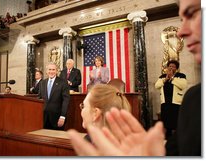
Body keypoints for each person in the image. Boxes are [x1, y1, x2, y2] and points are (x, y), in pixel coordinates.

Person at [68, 0, 201, 156]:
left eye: (192, 13)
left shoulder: (188, 91)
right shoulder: (194, 100)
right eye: (181, 20)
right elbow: (158, 85)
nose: (181, 32)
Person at [155, 60, 187, 139]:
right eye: (170, 66)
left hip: (176, 103)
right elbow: (157, 86)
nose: (171, 68)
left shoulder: (181, 75)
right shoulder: (162, 76)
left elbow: (183, 85)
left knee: (176, 121)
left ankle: (177, 138)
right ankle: (167, 138)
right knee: (166, 122)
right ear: (167, 67)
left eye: (173, 66)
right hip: (165, 102)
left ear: (176, 68)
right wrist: (165, 79)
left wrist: (172, 77)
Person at [38, 62, 70, 130]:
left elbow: (66, 101)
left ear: (57, 71)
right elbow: (40, 99)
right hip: (43, 118)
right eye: (49, 69)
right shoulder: (42, 83)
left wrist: (63, 116)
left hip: (57, 118)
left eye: (53, 69)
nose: (51, 71)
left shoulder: (63, 82)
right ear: (46, 71)